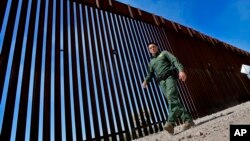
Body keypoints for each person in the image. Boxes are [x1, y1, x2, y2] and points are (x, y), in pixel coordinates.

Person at [142, 42, 195, 134]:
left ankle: (170, 123)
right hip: (161, 82)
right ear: (149, 51)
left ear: (157, 47)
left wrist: (181, 70)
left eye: (154, 46)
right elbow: (150, 73)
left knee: (171, 97)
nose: (152, 48)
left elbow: (174, 60)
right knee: (172, 100)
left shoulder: (164, 53)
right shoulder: (151, 62)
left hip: (170, 77)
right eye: (150, 48)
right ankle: (188, 120)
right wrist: (146, 80)